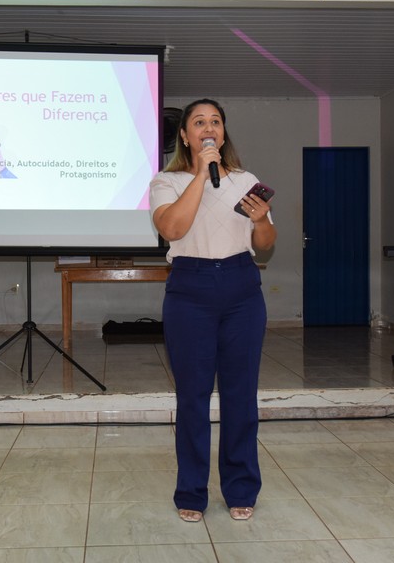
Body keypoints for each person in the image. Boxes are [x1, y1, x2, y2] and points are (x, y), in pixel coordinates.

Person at [149, 98, 276, 523]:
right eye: (199, 122)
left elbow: (265, 242)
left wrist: (261, 222)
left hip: (241, 287)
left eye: (215, 122)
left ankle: (241, 487)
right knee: (193, 396)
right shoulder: (166, 182)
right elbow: (173, 229)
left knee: (241, 395)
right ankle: (191, 492)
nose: (209, 128)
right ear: (185, 135)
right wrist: (201, 174)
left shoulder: (246, 179)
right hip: (191, 289)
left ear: (224, 133)